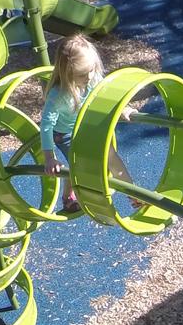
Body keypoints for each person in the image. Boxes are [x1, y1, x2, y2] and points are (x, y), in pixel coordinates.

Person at [39, 34, 133, 215]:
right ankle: (68, 198)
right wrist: (49, 157)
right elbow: (46, 126)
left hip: (85, 127)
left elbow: (107, 93)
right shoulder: (58, 95)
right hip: (64, 134)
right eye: (83, 74)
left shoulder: (92, 77)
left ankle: (134, 194)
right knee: (78, 164)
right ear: (68, 74)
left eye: (92, 70)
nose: (90, 76)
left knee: (110, 155)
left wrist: (125, 108)